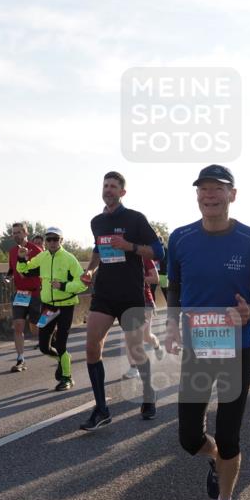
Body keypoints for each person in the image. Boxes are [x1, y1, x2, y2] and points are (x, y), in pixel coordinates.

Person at [166, 165, 250, 500]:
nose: (210, 195)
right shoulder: (180, 238)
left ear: (233, 195)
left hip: (237, 348)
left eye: (218, 189)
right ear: (197, 195)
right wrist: (171, 323)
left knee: (230, 433)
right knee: (189, 438)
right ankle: (215, 458)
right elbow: (174, 287)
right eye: (204, 189)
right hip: (197, 348)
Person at [80, 172, 164, 428]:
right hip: (104, 293)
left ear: (122, 192)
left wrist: (130, 247)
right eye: (105, 185)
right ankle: (101, 409)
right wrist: (90, 270)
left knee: (136, 349)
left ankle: (148, 394)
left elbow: (158, 251)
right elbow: (98, 250)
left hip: (130, 294)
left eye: (113, 186)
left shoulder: (135, 219)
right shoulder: (96, 221)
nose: (108, 189)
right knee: (92, 347)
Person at [16, 227, 87, 390]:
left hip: (66, 306)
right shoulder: (42, 257)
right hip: (48, 307)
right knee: (43, 347)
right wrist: (21, 258)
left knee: (61, 344)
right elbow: (24, 271)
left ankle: (67, 378)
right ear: (45, 241)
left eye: (56, 239)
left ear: (61, 240)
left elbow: (83, 283)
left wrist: (63, 286)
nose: (52, 242)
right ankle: (63, 360)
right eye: (49, 239)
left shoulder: (70, 259)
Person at [7, 222, 43, 372]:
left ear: (26, 233)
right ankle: (20, 359)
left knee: (34, 328)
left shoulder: (36, 250)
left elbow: (43, 270)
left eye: (19, 232)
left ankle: (49, 338)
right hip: (20, 293)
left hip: (35, 293)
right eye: (14, 233)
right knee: (18, 326)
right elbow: (11, 269)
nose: (16, 235)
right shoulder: (12, 251)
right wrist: (8, 276)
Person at [124, 256, 164, 379]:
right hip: (126, 302)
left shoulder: (145, 257)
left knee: (146, 337)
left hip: (145, 301)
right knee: (130, 337)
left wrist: (138, 278)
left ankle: (156, 345)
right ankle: (133, 368)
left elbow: (156, 278)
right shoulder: (119, 256)